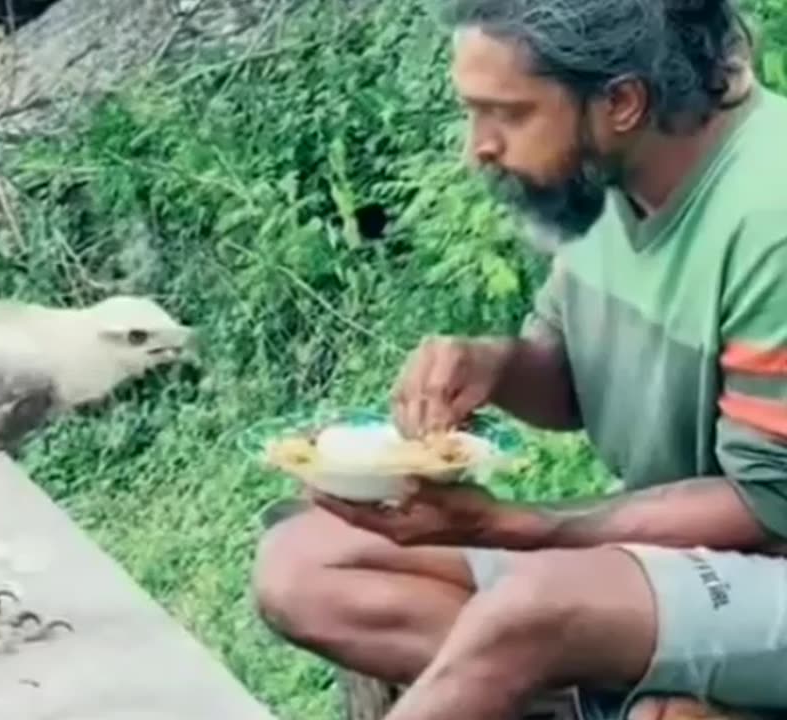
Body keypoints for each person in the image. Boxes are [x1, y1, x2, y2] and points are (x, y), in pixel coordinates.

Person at [252, 1, 787, 719]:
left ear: (622, 101)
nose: (478, 146)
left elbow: (765, 507)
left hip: (768, 564)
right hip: (672, 563)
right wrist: (496, 366)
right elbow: (569, 382)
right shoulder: (609, 183)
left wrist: (525, 528)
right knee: (304, 564)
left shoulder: (769, 220)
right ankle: (617, 694)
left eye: (504, 113)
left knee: (532, 611)